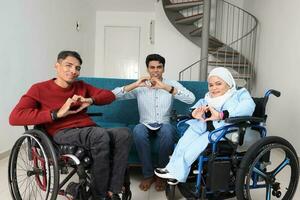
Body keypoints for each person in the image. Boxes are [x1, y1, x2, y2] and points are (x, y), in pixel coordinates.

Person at [9, 50, 132, 200]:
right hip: (62, 132)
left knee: (123, 133)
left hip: (88, 129)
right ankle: (99, 196)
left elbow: (109, 95)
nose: (73, 71)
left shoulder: (81, 86)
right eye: (69, 66)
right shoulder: (39, 89)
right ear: (57, 66)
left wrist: (90, 100)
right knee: (99, 135)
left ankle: (113, 191)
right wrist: (56, 114)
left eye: (77, 68)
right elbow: (15, 117)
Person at [154, 67, 256, 183]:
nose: (214, 88)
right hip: (204, 127)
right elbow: (196, 106)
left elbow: (248, 106)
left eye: (218, 84)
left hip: (224, 131)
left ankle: (177, 173)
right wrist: (193, 113)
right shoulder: (208, 98)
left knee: (192, 149)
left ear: (228, 83)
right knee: (183, 143)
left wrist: (222, 114)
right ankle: (170, 169)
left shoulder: (239, 94)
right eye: (211, 85)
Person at [112, 54, 195, 191]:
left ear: (163, 69)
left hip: (165, 124)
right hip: (144, 124)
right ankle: (148, 175)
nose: (155, 70)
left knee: (168, 131)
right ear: (148, 69)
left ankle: (161, 175)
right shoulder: (141, 85)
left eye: (159, 67)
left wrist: (166, 87)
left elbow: (191, 99)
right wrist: (136, 84)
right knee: (138, 130)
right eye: (152, 67)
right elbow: (113, 96)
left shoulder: (171, 84)